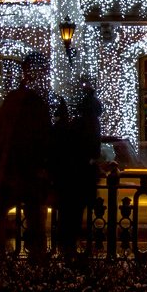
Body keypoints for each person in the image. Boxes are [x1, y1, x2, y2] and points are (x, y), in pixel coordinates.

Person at [0, 51, 52, 259]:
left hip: (8, 171)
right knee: (35, 223)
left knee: (1, 219)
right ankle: (33, 261)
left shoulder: (14, 100)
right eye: (40, 72)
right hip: (27, 174)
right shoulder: (37, 102)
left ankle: (3, 258)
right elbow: (44, 138)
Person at [50, 82, 103, 258]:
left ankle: (67, 250)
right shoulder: (90, 123)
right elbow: (93, 150)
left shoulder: (72, 124)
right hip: (80, 178)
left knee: (68, 219)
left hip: (68, 179)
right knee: (73, 218)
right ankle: (72, 251)